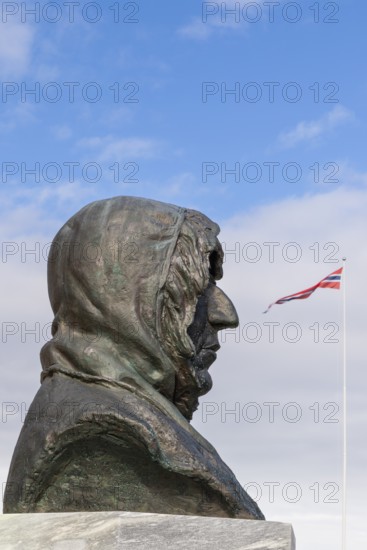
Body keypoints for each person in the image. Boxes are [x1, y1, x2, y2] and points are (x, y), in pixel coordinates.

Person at [4, 196, 264, 520]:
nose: (226, 314)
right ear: (131, 298)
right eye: (201, 288)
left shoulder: (122, 415)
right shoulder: (96, 436)